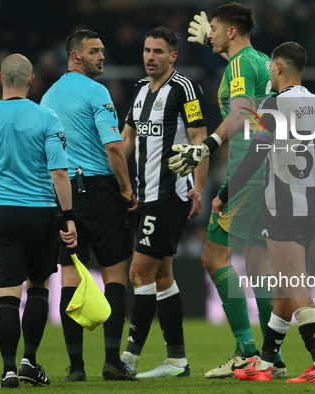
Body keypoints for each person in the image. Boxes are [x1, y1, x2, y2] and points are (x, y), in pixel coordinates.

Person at [212, 42, 315, 383]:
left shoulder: (274, 104)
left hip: (283, 207)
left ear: (277, 68)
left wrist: (224, 193)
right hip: (313, 209)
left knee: (293, 283)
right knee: (282, 290)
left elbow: (256, 154)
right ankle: (264, 364)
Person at [171, 2, 287, 378]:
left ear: (232, 32)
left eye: (216, 29)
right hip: (271, 169)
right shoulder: (262, 61)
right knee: (257, 264)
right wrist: (212, 39)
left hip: (247, 171)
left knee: (213, 258)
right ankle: (273, 358)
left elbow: (238, 113)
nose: (211, 35)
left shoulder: (238, 65)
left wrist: (206, 147)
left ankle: (247, 351)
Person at [0, 53, 78, 388]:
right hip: (41, 212)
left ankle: (9, 370)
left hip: (4, 212)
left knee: (8, 295)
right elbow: (59, 172)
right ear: (31, 80)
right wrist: (68, 217)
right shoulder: (47, 118)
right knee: (39, 286)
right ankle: (30, 360)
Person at [40, 29, 137, 382]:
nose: (102, 57)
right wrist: (126, 190)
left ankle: (76, 366)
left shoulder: (47, 98)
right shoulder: (98, 92)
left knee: (69, 276)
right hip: (100, 190)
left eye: (102, 50)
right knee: (114, 273)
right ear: (75, 56)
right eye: (94, 51)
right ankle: (112, 359)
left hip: (64, 194)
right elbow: (113, 147)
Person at [118, 26, 208, 378]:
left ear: (173, 56)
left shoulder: (186, 89)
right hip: (142, 197)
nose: (149, 57)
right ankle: (177, 360)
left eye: (157, 51)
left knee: (139, 271)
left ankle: (129, 358)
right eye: (146, 50)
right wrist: (113, 179)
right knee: (163, 276)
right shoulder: (140, 90)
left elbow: (200, 139)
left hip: (169, 195)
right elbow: (127, 140)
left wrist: (198, 188)